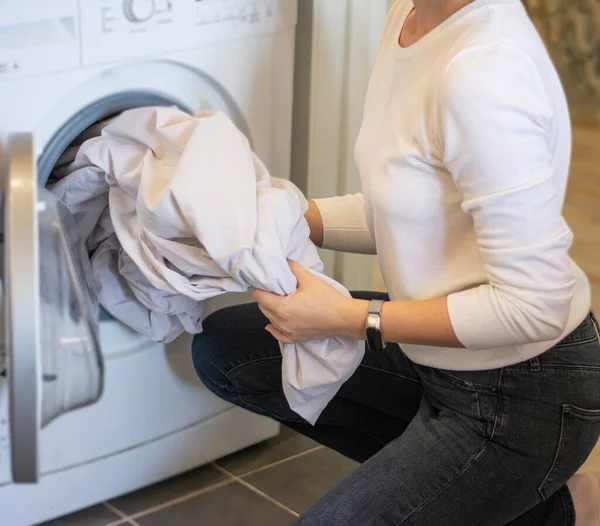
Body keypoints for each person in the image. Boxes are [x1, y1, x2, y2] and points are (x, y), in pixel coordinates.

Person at [192, 0, 600, 524]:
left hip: (522, 394)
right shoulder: (409, 16)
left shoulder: (484, 70)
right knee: (228, 351)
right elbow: (412, 208)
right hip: (432, 357)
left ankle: (540, 501)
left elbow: (535, 305)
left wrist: (348, 319)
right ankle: (522, 508)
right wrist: (292, 216)